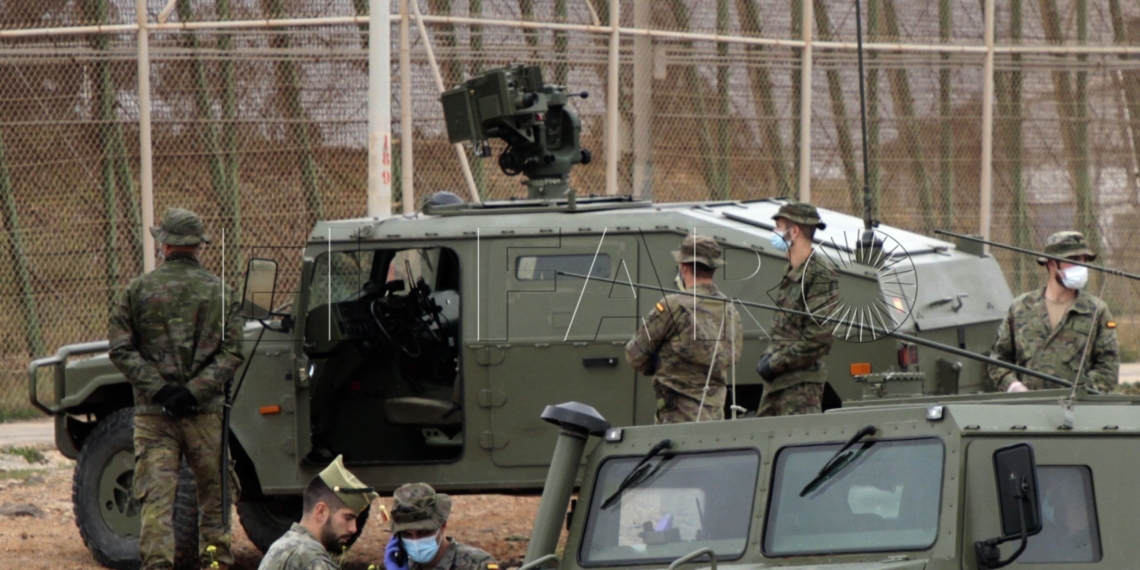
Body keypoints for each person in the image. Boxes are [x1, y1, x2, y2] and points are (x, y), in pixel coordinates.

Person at [108, 207, 245, 570]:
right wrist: (194, 392)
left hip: (155, 417)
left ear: (164, 244)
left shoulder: (137, 290)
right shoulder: (222, 292)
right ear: (199, 245)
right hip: (206, 416)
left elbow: (120, 348)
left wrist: (161, 391)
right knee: (214, 504)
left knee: (156, 504)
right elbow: (234, 351)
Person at [625, 234, 744, 424]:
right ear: (713, 269)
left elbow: (635, 354)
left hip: (677, 418)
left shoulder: (673, 306)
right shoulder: (729, 308)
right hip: (715, 417)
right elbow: (732, 356)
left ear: (683, 267)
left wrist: (660, 362)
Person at [988, 231, 1119, 393]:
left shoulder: (1096, 310)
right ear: (1051, 264)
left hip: (1078, 411)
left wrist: (1082, 391)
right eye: (1073, 260)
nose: (1082, 266)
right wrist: (1014, 386)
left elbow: (1108, 368)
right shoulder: (1021, 308)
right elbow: (999, 361)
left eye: (1084, 260)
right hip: (1028, 410)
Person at [755, 202, 837, 417]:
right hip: (779, 384)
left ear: (795, 231)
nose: (775, 233)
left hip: (801, 387)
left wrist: (775, 363)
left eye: (779, 227)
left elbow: (818, 338)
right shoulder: (791, 270)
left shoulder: (819, 273)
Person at [258, 455, 379, 570]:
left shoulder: (280, 546)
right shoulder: (312, 560)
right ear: (321, 512)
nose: (353, 528)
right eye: (348, 518)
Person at [384, 483, 498, 570]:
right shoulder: (405, 566)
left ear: (443, 526)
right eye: (407, 534)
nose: (415, 541)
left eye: (423, 533)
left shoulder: (477, 564)